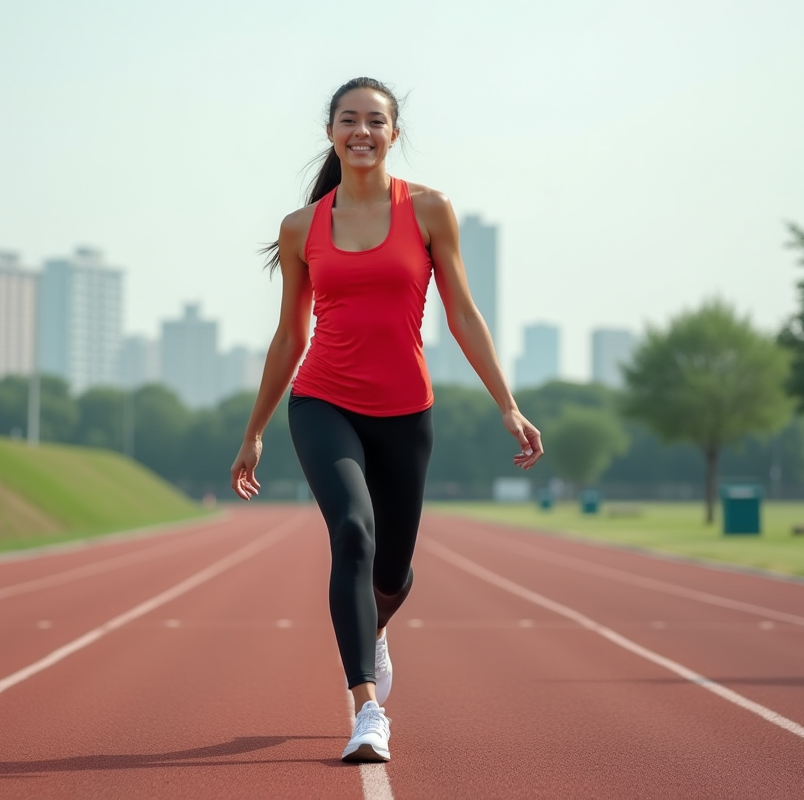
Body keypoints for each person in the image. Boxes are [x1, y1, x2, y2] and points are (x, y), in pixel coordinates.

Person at [229, 77, 544, 763]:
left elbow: (462, 313)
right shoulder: (301, 227)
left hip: (406, 411)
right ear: (331, 132)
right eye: (349, 120)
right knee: (352, 530)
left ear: (393, 134)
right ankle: (367, 709)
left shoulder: (429, 211)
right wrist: (254, 430)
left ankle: (373, 627)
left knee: (393, 574)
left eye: (376, 121)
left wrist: (508, 404)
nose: (362, 131)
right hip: (323, 401)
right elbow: (290, 336)